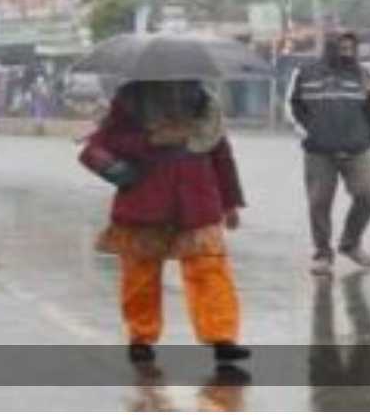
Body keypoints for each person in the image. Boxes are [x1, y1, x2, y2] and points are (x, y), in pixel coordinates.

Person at [80, 80, 250, 364]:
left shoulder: (206, 103)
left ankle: (221, 337)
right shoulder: (130, 100)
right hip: (146, 199)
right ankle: (141, 337)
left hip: (198, 201)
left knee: (210, 270)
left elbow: (221, 154)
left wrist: (230, 202)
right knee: (140, 275)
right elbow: (106, 142)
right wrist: (151, 141)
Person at [287, 32, 370, 275]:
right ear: (331, 48)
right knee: (319, 203)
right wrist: (309, 133)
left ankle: (350, 244)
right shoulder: (305, 73)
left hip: (357, 149)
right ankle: (322, 254)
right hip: (319, 152)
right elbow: (291, 106)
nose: (348, 52)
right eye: (342, 47)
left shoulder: (364, 76)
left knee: (366, 195)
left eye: (352, 48)